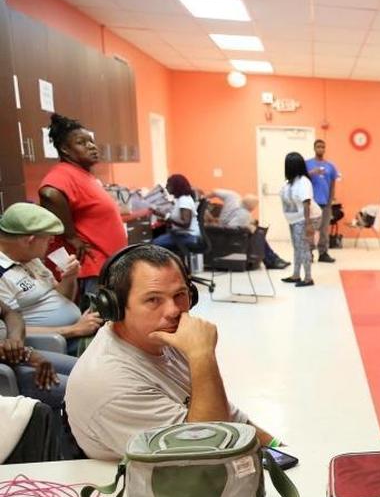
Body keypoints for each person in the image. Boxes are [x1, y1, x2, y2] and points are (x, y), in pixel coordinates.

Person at [65, 244, 278, 461]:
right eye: (153, 299)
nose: (174, 310)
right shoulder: (108, 381)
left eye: (180, 295)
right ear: (115, 306)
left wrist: (279, 448)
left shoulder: (162, 337)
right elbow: (205, 455)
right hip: (147, 487)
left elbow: (231, 417)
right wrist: (202, 356)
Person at [38, 113, 128, 297]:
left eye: (91, 141)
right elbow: (49, 193)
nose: (91, 147)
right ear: (65, 149)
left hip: (107, 264)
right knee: (97, 321)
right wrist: (70, 235)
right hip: (92, 268)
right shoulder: (64, 173)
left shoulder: (82, 173)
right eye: (82, 143)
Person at [0, 202, 101, 355]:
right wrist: (74, 330)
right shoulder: (2, 275)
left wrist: (69, 278)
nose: (52, 242)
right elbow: (10, 331)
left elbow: (62, 298)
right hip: (54, 343)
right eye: (48, 238)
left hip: (76, 331)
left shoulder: (30, 257)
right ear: (30, 240)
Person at [1, 296, 73, 410]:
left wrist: (15, 339)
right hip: (5, 370)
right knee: (82, 389)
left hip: (17, 353)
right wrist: (25, 354)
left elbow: (10, 313)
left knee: (84, 369)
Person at [204, 189, 288, 270]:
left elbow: (214, 192)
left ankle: (273, 258)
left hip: (220, 229)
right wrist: (249, 227)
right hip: (226, 236)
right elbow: (233, 229)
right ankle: (271, 260)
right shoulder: (244, 214)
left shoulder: (232, 196)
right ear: (251, 208)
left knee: (258, 233)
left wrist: (202, 199)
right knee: (259, 235)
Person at [280, 152, 316, 287]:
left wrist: (308, 224)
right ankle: (296, 275)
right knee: (297, 248)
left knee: (304, 248)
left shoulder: (304, 182)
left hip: (302, 220)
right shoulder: (290, 182)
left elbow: (307, 203)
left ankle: (308, 278)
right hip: (293, 220)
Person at [306, 139, 341, 264]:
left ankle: (323, 253)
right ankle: (308, 253)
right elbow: (302, 180)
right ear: (314, 148)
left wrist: (330, 200)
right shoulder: (307, 164)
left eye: (322, 147)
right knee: (310, 228)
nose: (320, 149)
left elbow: (332, 184)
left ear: (325, 149)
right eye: (318, 146)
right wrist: (312, 173)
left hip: (325, 202)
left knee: (324, 229)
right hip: (310, 202)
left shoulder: (330, 166)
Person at [152, 174, 203, 255]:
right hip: (184, 235)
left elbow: (186, 224)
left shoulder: (184, 200)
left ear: (176, 186)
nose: (166, 187)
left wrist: (165, 216)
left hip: (187, 237)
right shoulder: (181, 200)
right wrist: (165, 219)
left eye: (168, 184)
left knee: (153, 245)